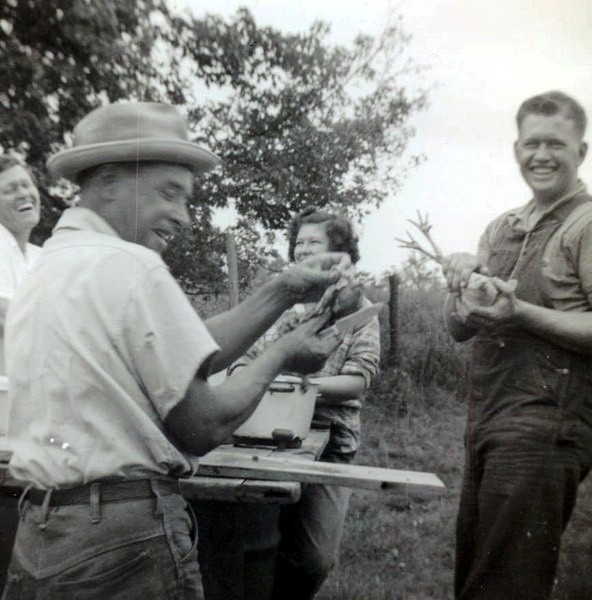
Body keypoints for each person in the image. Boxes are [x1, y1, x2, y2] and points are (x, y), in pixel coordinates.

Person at [0, 102, 348, 600]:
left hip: (40, 534)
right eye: (170, 193)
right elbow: (203, 425)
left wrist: (283, 290)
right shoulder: (131, 266)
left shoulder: (50, 265)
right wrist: (283, 354)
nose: (183, 216)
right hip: (123, 546)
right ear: (110, 181)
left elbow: (184, 352)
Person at [442, 91, 592, 599]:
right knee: (476, 579)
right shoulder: (501, 228)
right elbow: (459, 329)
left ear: (581, 152)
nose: (541, 155)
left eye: (556, 144)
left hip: (547, 425)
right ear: (516, 149)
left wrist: (521, 313)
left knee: (505, 586)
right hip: (486, 421)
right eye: (532, 144)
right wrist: (460, 285)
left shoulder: (586, 224)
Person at [196, 207, 381, 600]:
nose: (303, 250)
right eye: (299, 243)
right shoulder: (283, 309)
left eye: (315, 242)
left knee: (315, 559)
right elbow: (245, 358)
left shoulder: (361, 310)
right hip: (268, 437)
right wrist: (252, 372)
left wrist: (301, 385)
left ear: (340, 253)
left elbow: (357, 380)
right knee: (257, 540)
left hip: (331, 440)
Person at [0, 156, 41, 592]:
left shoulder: (41, 256)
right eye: (10, 188)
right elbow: (7, 313)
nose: (25, 193)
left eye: (27, 185)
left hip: (31, 413)